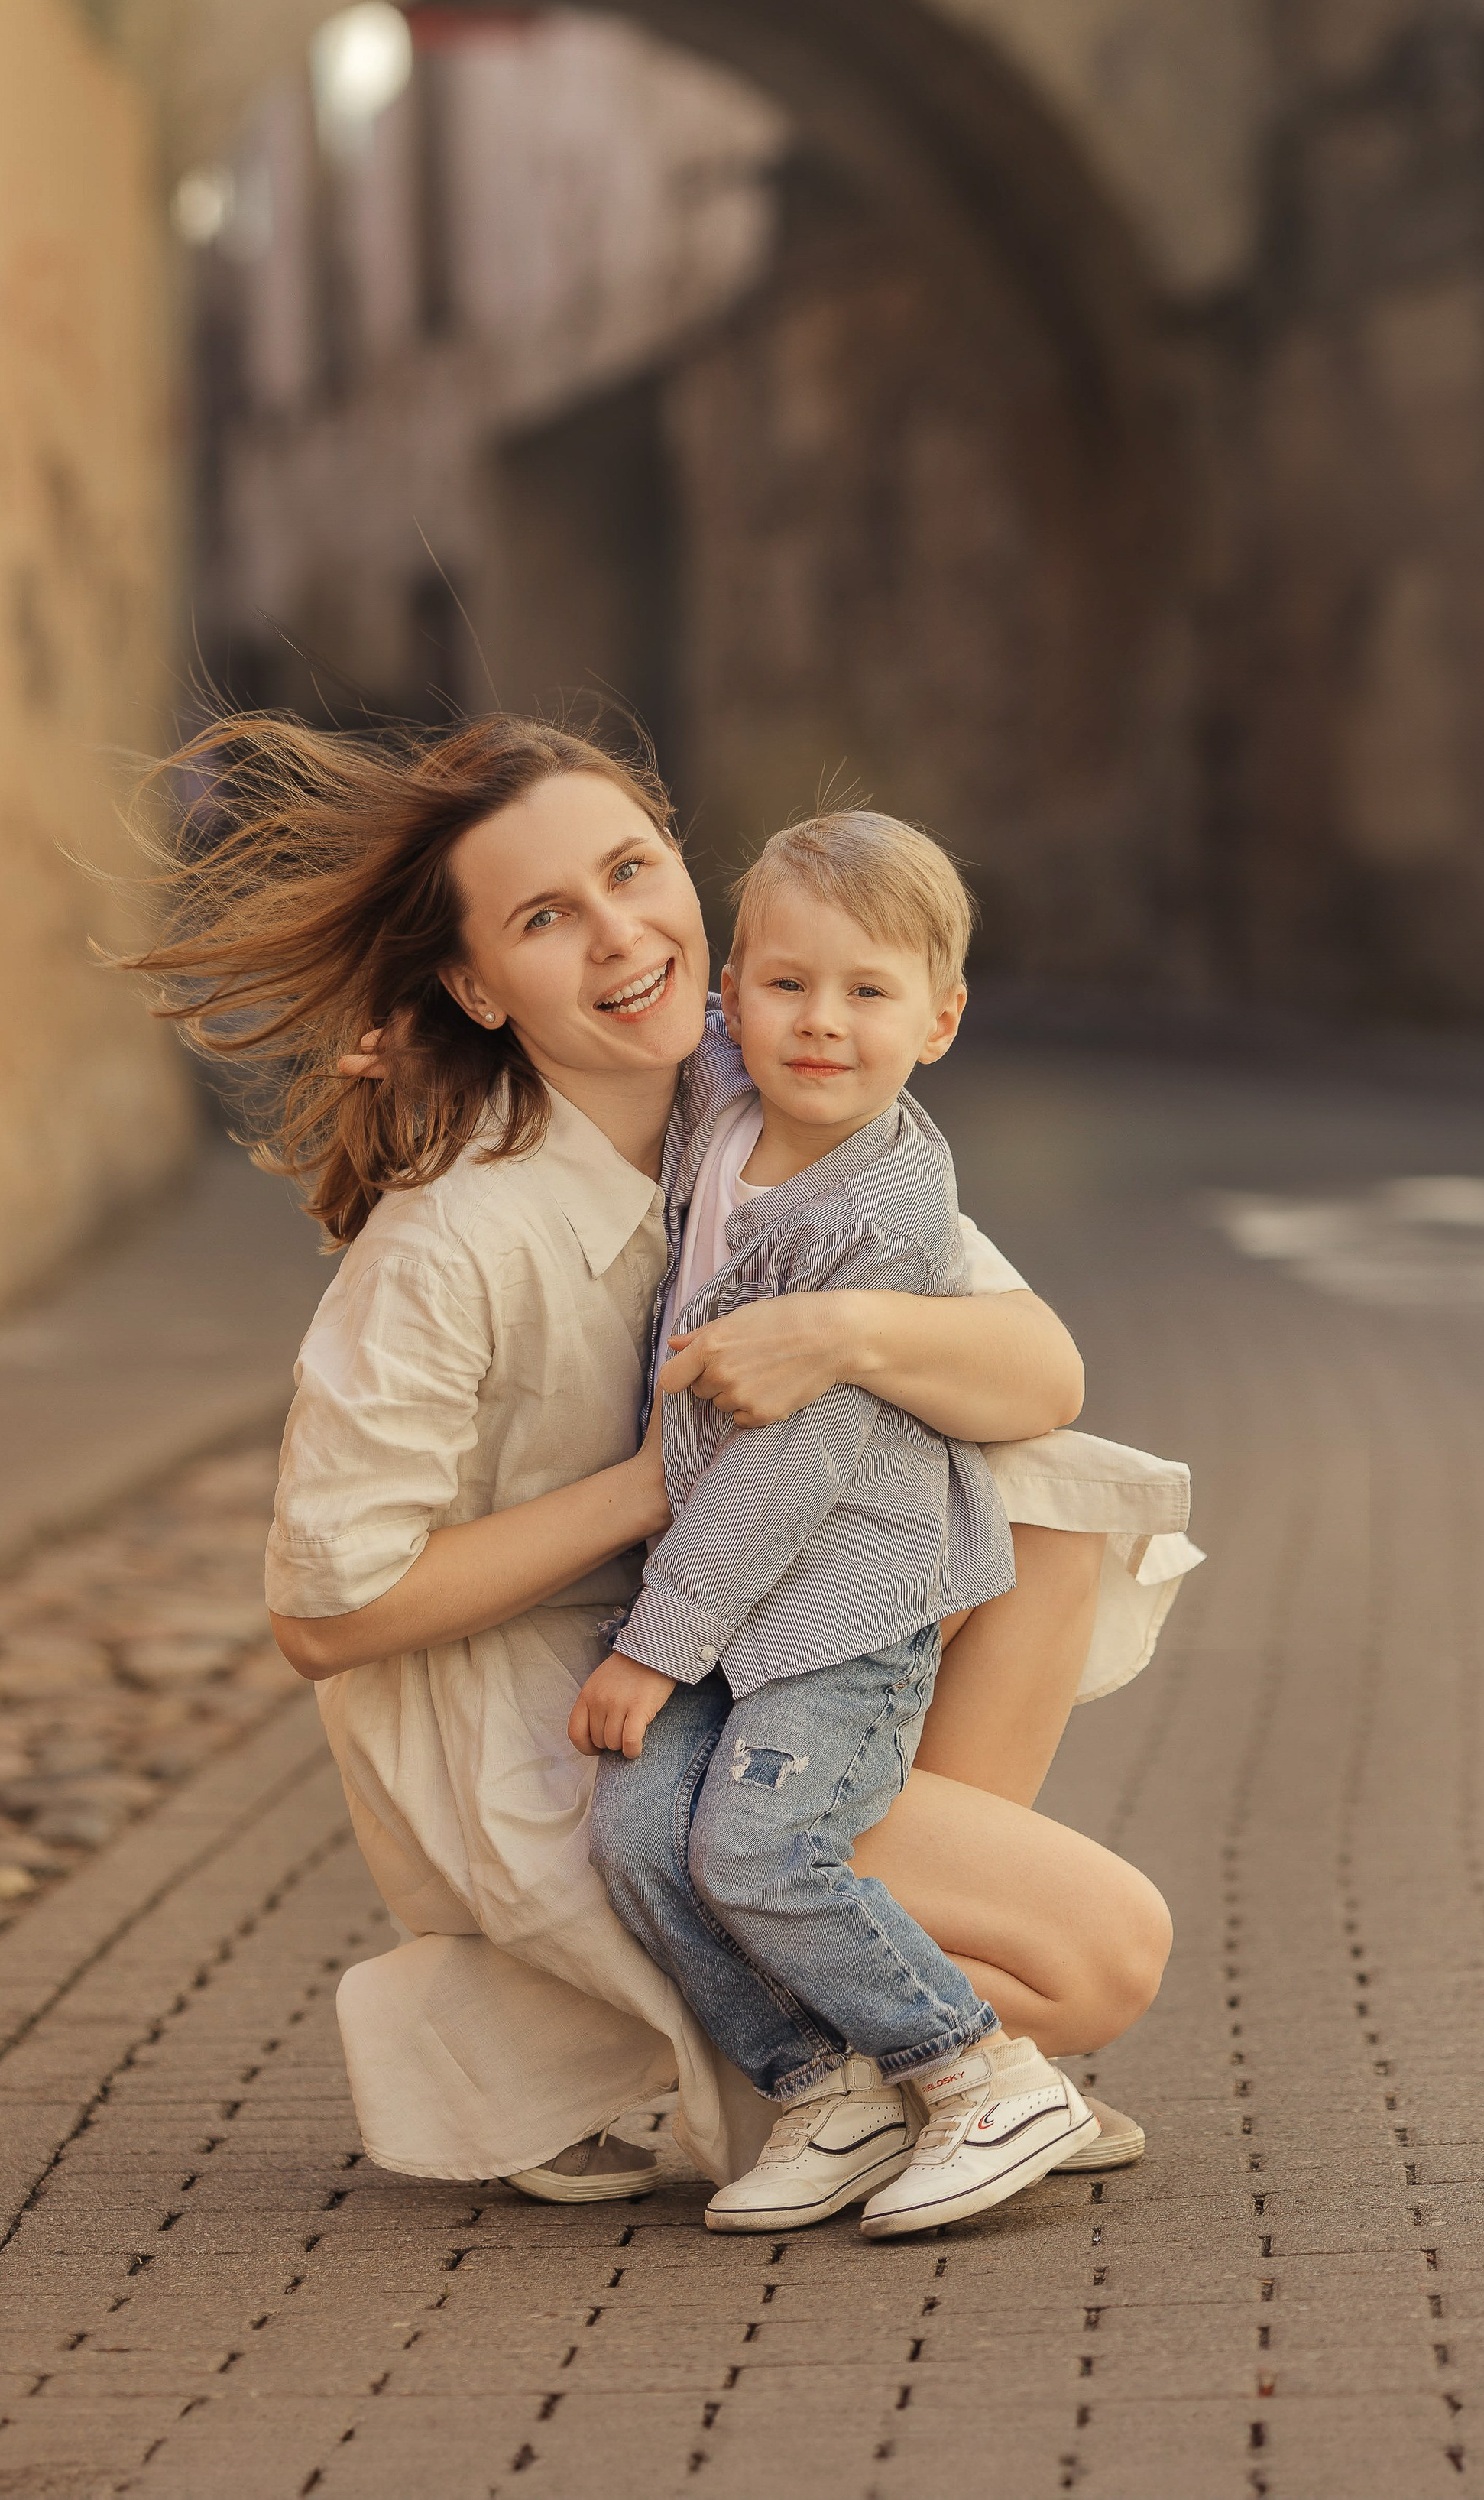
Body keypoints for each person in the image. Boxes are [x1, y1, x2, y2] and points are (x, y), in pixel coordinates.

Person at [118, 711, 1181, 2202]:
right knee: (1096, 1959)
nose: (620, 934)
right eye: (547, 917)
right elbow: (322, 1613)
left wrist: (839, 1336)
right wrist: (660, 1480)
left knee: (1051, 1503)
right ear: (476, 983)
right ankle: (669, 2025)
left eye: (632, 868)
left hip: (726, 1653)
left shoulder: (760, 1112)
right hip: (567, 1721)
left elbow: (1039, 1376)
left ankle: (843, 2027)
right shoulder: (448, 1242)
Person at [582, 809, 1100, 2237]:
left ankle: (980, 2075)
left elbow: (784, 1471)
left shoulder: (883, 1210)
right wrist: (421, 1059)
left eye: (870, 994)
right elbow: (592, 1032)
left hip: (836, 1607)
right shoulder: (726, 1084)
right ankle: (827, 2088)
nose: (823, 1025)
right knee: (633, 1834)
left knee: (759, 1846)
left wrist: (653, 1644)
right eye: (788, 985)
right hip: (722, 1592)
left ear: (938, 1023)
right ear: (733, 995)